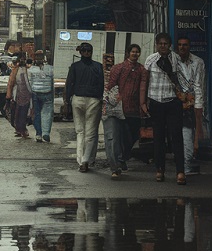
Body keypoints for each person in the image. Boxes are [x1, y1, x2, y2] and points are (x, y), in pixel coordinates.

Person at [140, 32, 186, 185]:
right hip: (156, 101)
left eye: (165, 44)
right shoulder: (150, 59)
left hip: (173, 102)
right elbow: (144, 82)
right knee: (158, 138)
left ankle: (180, 171)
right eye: (160, 43)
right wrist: (143, 102)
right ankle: (159, 169)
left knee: (176, 137)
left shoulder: (176, 59)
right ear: (156, 45)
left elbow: (183, 80)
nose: (163, 46)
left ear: (170, 45)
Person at [104, 44, 146, 177]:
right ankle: (117, 163)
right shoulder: (118, 68)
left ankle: (123, 157)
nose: (135, 54)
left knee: (132, 136)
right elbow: (111, 85)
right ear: (128, 53)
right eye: (133, 51)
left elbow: (143, 88)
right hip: (118, 108)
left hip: (134, 109)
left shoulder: (141, 69)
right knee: (117, 136)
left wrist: (143, 105)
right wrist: (108, 101)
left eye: (137, 52)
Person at [63, 42, 104, 172]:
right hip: (94, 100)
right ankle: (86, 160)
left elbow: (69, 84)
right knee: (91, 132)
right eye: (86, 51)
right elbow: (101, 84)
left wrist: (67, 101)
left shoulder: (75, 66)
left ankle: (81, 161)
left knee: (80, 132)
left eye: (87, 51)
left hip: (78, 98)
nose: (86, 53)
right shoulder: (98, 66)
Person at [176, 36, 206, 176]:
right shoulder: (173, 60)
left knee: (190, 135)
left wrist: (198, 107)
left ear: (189, 46)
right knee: (181, 136)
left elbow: (199, 86)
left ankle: (187, 165)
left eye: (185, 45)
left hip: (191, 105)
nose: (182, 47)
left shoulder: (198, 62)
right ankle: (184, 165)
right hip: (176, 104)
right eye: (180, 45)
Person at [29, 49, 55, 143]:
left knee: (38, 114)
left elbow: (29, 83)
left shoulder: (31, 69)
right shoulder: (50, 68)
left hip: (38, 93)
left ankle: (40, 134)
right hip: (43, 93)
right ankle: (44, 133)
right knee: (45, 114)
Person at [6, 52, 32, 138]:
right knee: (17, 113)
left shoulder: (28, 69)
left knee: (24, 113)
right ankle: (19, 129)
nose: (22, 61)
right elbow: (11, 83)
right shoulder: (15, 70)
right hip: (17, 95)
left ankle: (22, 129)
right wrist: (9, 96)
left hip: (27, 95)